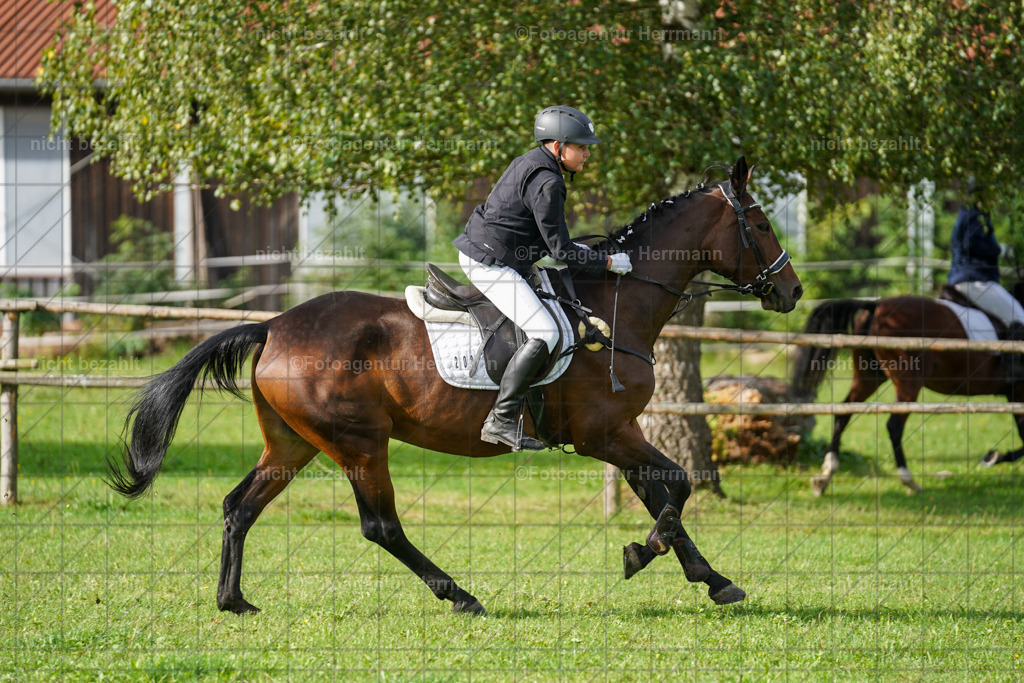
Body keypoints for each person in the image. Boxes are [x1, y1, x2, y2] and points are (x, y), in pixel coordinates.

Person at [452, 106, 633, 451]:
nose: (587, 153)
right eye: (581, 146)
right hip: (490, 261)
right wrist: (607, 262)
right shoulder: (549, 182)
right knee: (545, 331)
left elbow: (550, 239)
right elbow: (561, 251)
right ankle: (500, 420)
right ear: (558, 147)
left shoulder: (534, 161)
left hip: (499, 251)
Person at [947, 179, 1024, 380]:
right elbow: (971, 243)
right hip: (975, 280)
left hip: (968, 278)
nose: (996, 198)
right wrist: (1000, 249)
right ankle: (1013, 371)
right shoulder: (974, 215)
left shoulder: (972, 213)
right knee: (1018, 316)